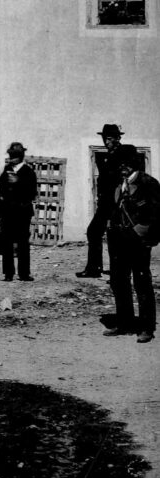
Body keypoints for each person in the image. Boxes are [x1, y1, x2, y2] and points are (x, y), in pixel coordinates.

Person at [103, 145, 158, 344]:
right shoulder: (119, 184)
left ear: (134, 163)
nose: (122, 167)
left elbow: (156, 214)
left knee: (142, 282)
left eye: (126, 163)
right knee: (119, 282)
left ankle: (146, 327)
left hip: (139, 241)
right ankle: (124, 322)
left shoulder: (148, 183)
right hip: (119, 241)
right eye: (120, 164)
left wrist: (143, 233)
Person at [79, 123, 124, 278]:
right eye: (105, 138)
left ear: (118, 138)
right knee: (94, 232)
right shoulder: (108, 155)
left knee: (115, 236)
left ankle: (116, 272)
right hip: (105, 204)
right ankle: (94, 269)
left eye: (110, 138)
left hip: (117, 204)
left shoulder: (123, 153)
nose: (107, 141)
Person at [0, 142, 37, 282]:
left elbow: (32, 193)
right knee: (7, 242)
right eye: (11, 155)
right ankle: (8, 273)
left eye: (14, 156)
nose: (12, 158)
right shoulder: (6, 170)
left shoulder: (28, 172)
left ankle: (24, 273)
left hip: (22, 212)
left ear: (20, 156)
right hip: (8, 212)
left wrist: (18, 182)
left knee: (23, 242)